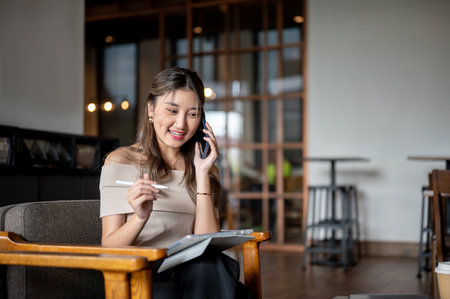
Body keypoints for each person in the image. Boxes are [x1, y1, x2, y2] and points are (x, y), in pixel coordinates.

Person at [99, 67, 250, 299]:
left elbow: (207, 241)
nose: (181, 124)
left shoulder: (206, 169)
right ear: (151, 108)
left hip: (195, 273)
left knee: (210, 265)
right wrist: (140, 218)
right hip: (143, 275)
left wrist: (202, 174)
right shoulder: (120, 161)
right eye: (172, 110)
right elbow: (109, 251)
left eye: (192, 114)